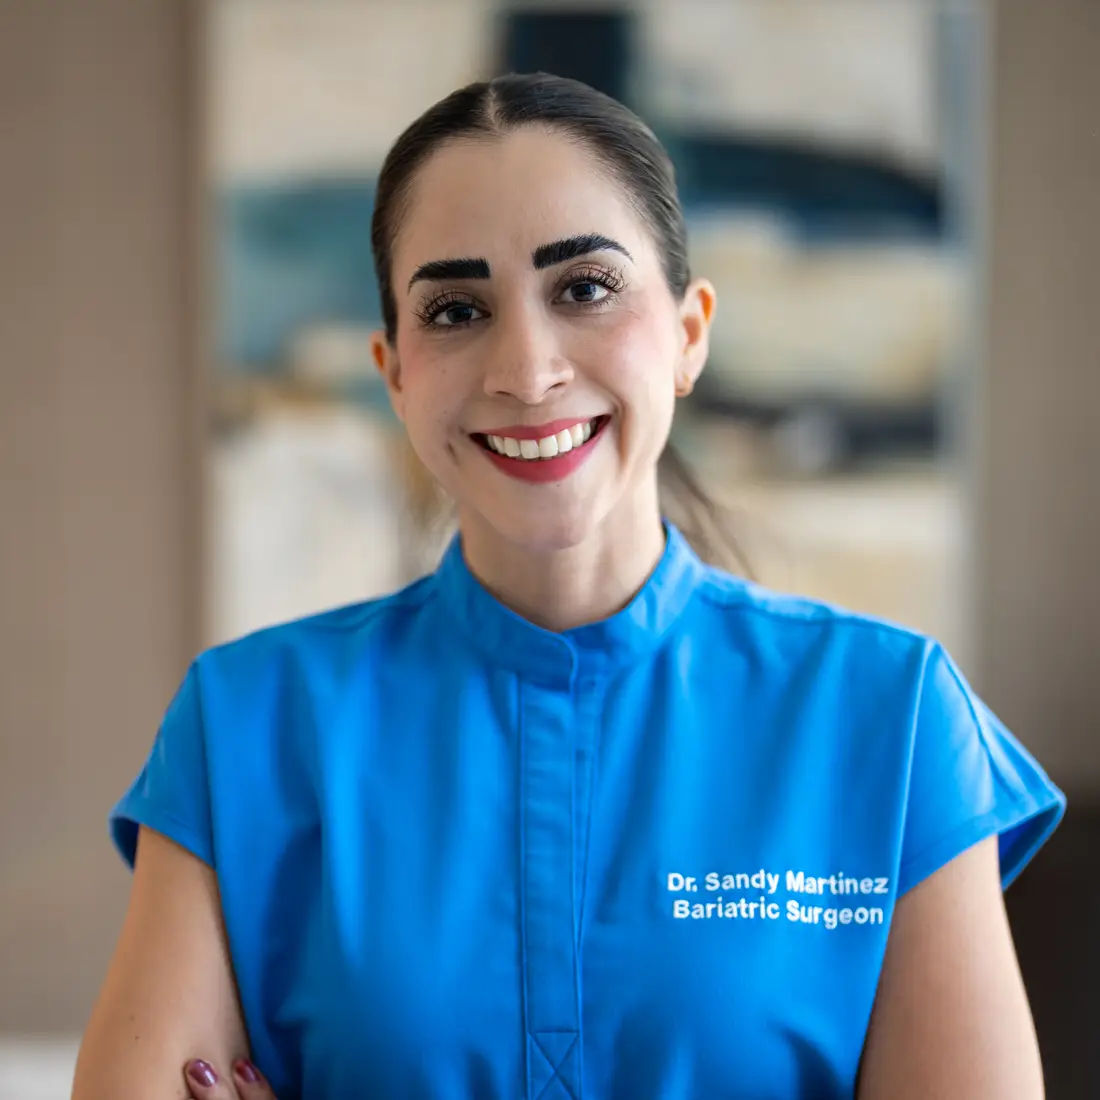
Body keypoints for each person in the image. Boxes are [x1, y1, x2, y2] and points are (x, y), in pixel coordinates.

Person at [72, 73, 1065, 1100]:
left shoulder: (892, 721)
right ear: (394, 372)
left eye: (583, 287)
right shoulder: (243, 726)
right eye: (456, 308)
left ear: (687, 333)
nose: (526, 367)